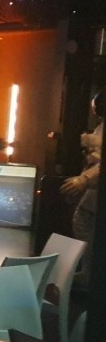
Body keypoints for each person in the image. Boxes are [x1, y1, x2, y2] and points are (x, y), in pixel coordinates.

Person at [61, 90, 101, 282]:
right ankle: (89, 271)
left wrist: (84, 179)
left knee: (88, 226)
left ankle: (92, 274)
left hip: (96, 187)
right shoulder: (101, 128)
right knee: (83, 223)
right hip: (94, 190)